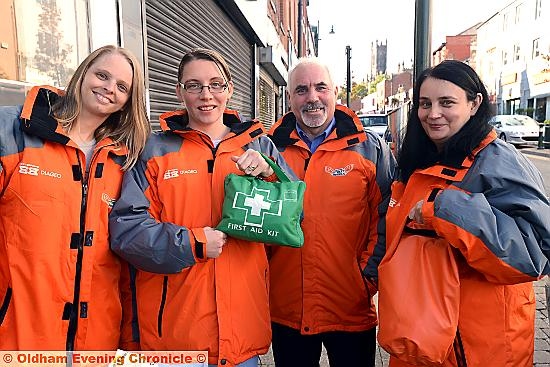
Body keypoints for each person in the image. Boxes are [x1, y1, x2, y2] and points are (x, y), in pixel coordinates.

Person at [109, 48, 293, 367]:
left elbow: (294, 218)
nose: (205, 94)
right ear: (180, 91)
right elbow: (127, 231)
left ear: (230, 89)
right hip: (176, 339)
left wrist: (269, 173)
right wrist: (192, 243)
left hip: (241, 336)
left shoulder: (261, 146)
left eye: (215, 84)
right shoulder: (154, 150)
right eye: (193, 85)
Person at [382, 60, 550, 366]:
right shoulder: (416, 161)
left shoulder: (498, 162)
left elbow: (534, 254)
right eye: (424, 104)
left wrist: (447, 209)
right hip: (420, 340)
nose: (433, 114)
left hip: (478, 349)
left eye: (446, 102)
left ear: (474, 104)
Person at [0, 45, 151, 350]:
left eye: (122, 87)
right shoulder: (14, 129)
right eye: (102, 75)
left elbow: (125, 254)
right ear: (83, 74)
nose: (109, 88)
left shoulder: (125, 159)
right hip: (18, 334)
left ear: (127, 101)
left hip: (94, 339)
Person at [267, 57, 396, 367]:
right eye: (301, 90)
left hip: (350, 304)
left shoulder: (371, 149)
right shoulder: (268, 149)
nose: (312, 98)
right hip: (287, 308)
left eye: (320, 87)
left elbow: (388, 218)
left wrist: (368, 277)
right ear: (289, 98)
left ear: (335, 92)